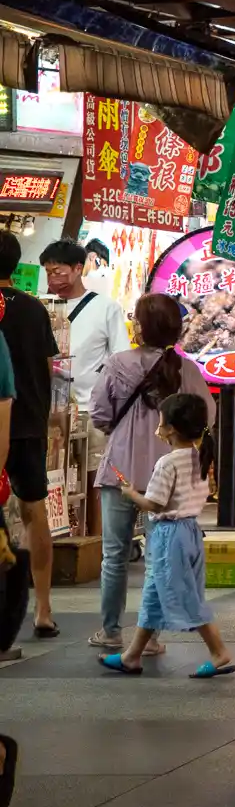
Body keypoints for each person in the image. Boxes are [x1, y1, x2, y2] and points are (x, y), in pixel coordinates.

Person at [88, 294, 215, 652]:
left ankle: (111, 630)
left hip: (120, 472)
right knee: (158, 557)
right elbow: (208, 415)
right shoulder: (187, 369)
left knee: (114, 554)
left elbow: (99, 412)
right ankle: (151, 636)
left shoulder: (118, 364)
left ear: (142, 327)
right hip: (168, 477)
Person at [98, 394, 233, 679]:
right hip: (190, 532)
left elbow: (155, 504)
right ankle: (132, 656)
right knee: (154, 595)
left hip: (169, 536)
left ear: (171, 428)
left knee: (184, 596)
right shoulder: (200, 456)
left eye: (160, 422)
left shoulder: (167, 463)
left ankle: (219, 653)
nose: (158, 427)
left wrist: (131, 493)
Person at [0, 230, 59, 637]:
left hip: (2, 422)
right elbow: (49, 363)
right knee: (34, 511)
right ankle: (43, 609)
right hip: (29, 422)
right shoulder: (35, 309)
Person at [40, 239, 131, 426]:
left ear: (78, 268)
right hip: (49, 410)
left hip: (90, 411)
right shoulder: (43, 308)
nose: (52, 279)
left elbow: (121, 359)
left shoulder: (106, 308)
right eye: (48, 273)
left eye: (57, 272)